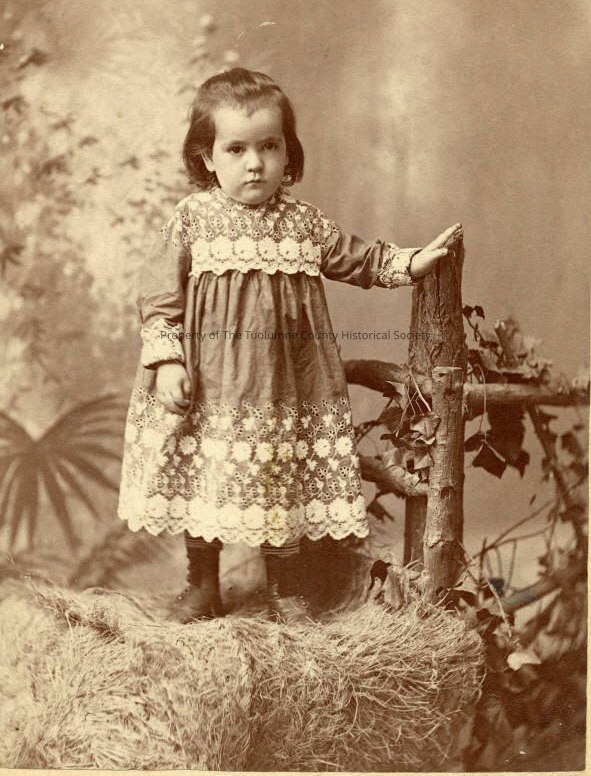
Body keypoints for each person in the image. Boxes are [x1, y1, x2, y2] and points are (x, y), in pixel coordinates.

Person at [118, 67, 462, 624]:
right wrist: (167, 360)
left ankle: (286, 589)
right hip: (208, 382)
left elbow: (358, 258)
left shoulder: (302, 223)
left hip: (284, 385)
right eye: (236, 149)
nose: (255, 163)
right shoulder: (194, 219)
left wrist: (411, 262)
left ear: (287, 151)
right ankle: (202, 584)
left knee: (278, 476)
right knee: (204, 472)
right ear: (207, 157)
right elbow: (159, 292)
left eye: (269, 146)